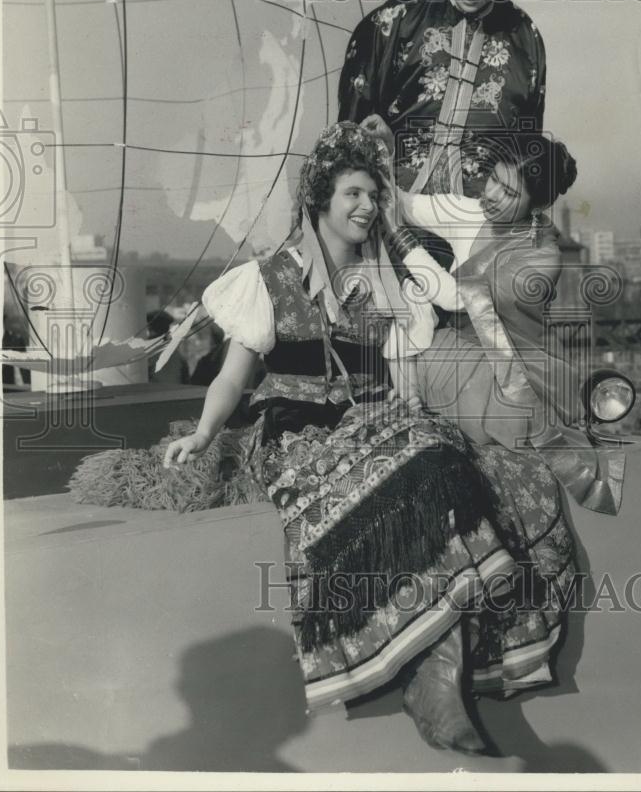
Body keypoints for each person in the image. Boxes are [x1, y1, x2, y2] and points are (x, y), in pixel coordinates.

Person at [160, 119, 575, 754]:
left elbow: (410, 366)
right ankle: (431, 680)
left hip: (375, 420)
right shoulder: (268, 279)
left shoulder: (388, 279)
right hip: (298, 433)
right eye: (353, 193)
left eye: (374, 195)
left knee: (472, 466)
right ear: (320, 200)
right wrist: (204, 431)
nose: (366, 206)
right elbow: (231, 378)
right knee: (420, 460)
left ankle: (438, 673)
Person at [383, 130, 626, 516]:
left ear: (537, 204)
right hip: (461, 347)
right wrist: (379, 158)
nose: (492, 194)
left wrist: (397, 236)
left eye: (509, 193)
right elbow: (406, 204)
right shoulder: (473, 209)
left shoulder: (542, 256)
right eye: (493, 178)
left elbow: (451, 297)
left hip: (517, 362)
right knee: (405, 338)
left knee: (513, 418)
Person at [339, 0, 546, 202]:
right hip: (393, 209)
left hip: (481, 221)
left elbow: (529, 151)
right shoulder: (395, 20)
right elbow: (349, 130)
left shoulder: (525, 38)